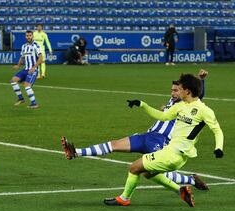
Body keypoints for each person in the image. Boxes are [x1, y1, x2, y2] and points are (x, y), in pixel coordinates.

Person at [61, 70, 210, 191]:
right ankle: (76, 152)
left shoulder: (188, 102)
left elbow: (198, 94)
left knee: (150, 173)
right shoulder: (173, 100)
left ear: (185, 91)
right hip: (148, 135)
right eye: (171, 90)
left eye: (176, 90)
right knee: (115, 144)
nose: (172, 93)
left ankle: (189, 181)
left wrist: (201, 80)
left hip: (163, 141)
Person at [10, 30, 43, 109]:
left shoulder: (36, 45)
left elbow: (41, 58)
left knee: (26, 85)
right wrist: (18, 65)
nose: (28, 37)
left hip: (33, 70)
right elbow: (22, 57)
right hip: (25, 69)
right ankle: (21, 99)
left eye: (30, 35)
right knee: (13, 80)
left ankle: (34, 103)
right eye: (27, 36)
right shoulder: (24, 46)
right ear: (25, 37)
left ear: (32, 36)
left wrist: (34, 67)